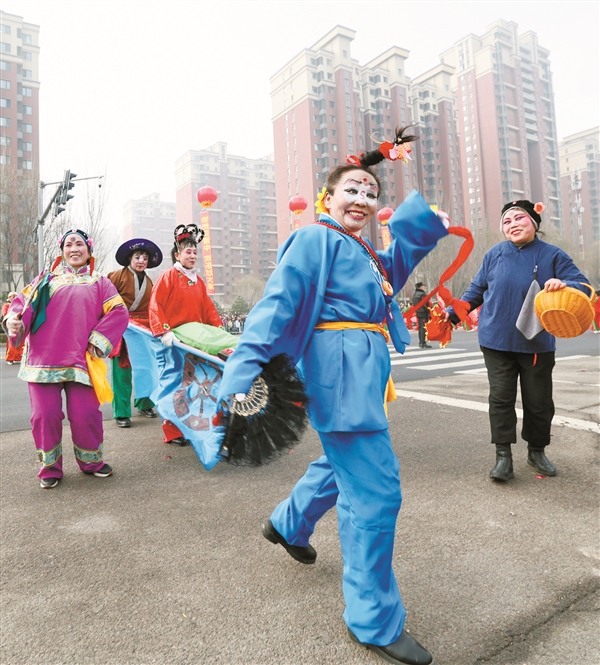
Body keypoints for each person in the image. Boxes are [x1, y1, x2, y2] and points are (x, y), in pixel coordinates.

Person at [217, 144, 450, 663]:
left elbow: (394, 269)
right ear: (327, 197)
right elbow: (277, 304)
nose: (363, 199)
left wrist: (423, 221)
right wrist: (243, 368)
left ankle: (288, 523)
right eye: (352, 189)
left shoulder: (360, 249)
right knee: (376, 495)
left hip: (360, 375)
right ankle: (372, 619)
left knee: (340, 462)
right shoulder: (315, 238)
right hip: (340, 375)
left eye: (371, 193)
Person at [447, 200, 589, 482]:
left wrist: (564, 284)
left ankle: (537, 451)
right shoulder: (495, 254)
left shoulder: (553, 255)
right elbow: (476, 290)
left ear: (533, 223)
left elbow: (583, 285)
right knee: (500, 399)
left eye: (519, 218)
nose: (512, 224)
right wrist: (450, 316)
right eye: (506, 221)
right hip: (496, 340)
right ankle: (503, 456)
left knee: (538, 402)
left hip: (536, 343)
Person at [4, 229, 129, 488]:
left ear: (88, 250)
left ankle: (91, 462)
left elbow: (119, 311)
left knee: (85, 415)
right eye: (69, 244)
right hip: (43, 360)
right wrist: (13, 321)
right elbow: (22, 304)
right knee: (45, 416)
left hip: (80, 360)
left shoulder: (100, 282)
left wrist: (98, 340)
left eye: (79, 244)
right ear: (62, 251)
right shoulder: (46, 279)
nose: (74, 248)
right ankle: (50, 467)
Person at [148, 224, 222, 446]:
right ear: (177, 255)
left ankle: (192, 425)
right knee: (174, 383)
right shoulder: (168, 276)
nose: (192, 255)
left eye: (195, 252)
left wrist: (217, 330)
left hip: (194, 342)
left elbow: (208, 309)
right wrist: (164, 330)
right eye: (188, 251)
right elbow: (156, 304)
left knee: (194, 384)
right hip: (174, 341)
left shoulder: (198, 281)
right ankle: (172, 429)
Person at [107, 239, 163, 428]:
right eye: (137, 257)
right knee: (121, 372)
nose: (141, 261)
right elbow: (104, 300)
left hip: (142, 331)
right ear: (130, 259)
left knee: (145, 368)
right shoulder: (115, 276)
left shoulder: (149, 282)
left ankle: (145, 403)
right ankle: (121, 412)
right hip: (121, 329)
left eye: (145, 258)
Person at [2, 292, 25, 364]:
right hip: (11, 325)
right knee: (11, 343)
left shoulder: (19, 304)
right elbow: (5, 314)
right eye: (12, 296)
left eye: (15, 296)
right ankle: (10, 358)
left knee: (20, 343)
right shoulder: (6, 305)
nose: (14, 297)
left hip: (19, 325)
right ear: (9, 298)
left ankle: (18, 357)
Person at [411, 281, 431, 348]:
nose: (423, 287)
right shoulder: (422, 294)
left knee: (420, 327)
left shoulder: (414, 294)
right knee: (423, 327)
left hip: (418, 312)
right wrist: (429, 310)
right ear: (420, 287)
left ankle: (421, 342)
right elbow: (425, 303)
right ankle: (423, 342)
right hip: (423, 312)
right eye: (422, 286)